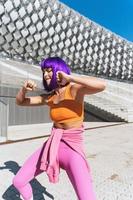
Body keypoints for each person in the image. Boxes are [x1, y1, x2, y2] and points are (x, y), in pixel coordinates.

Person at [13, 57, 106, 200]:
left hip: (72, 149)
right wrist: (23, 89)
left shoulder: (74, 89)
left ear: (59, 71)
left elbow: (101, 85)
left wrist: (70, 78)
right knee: (18, 181)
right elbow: (21, 102)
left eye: (49, 70)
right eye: (44, 71)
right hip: (52, 145)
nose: (45, 74)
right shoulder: (49, 97)